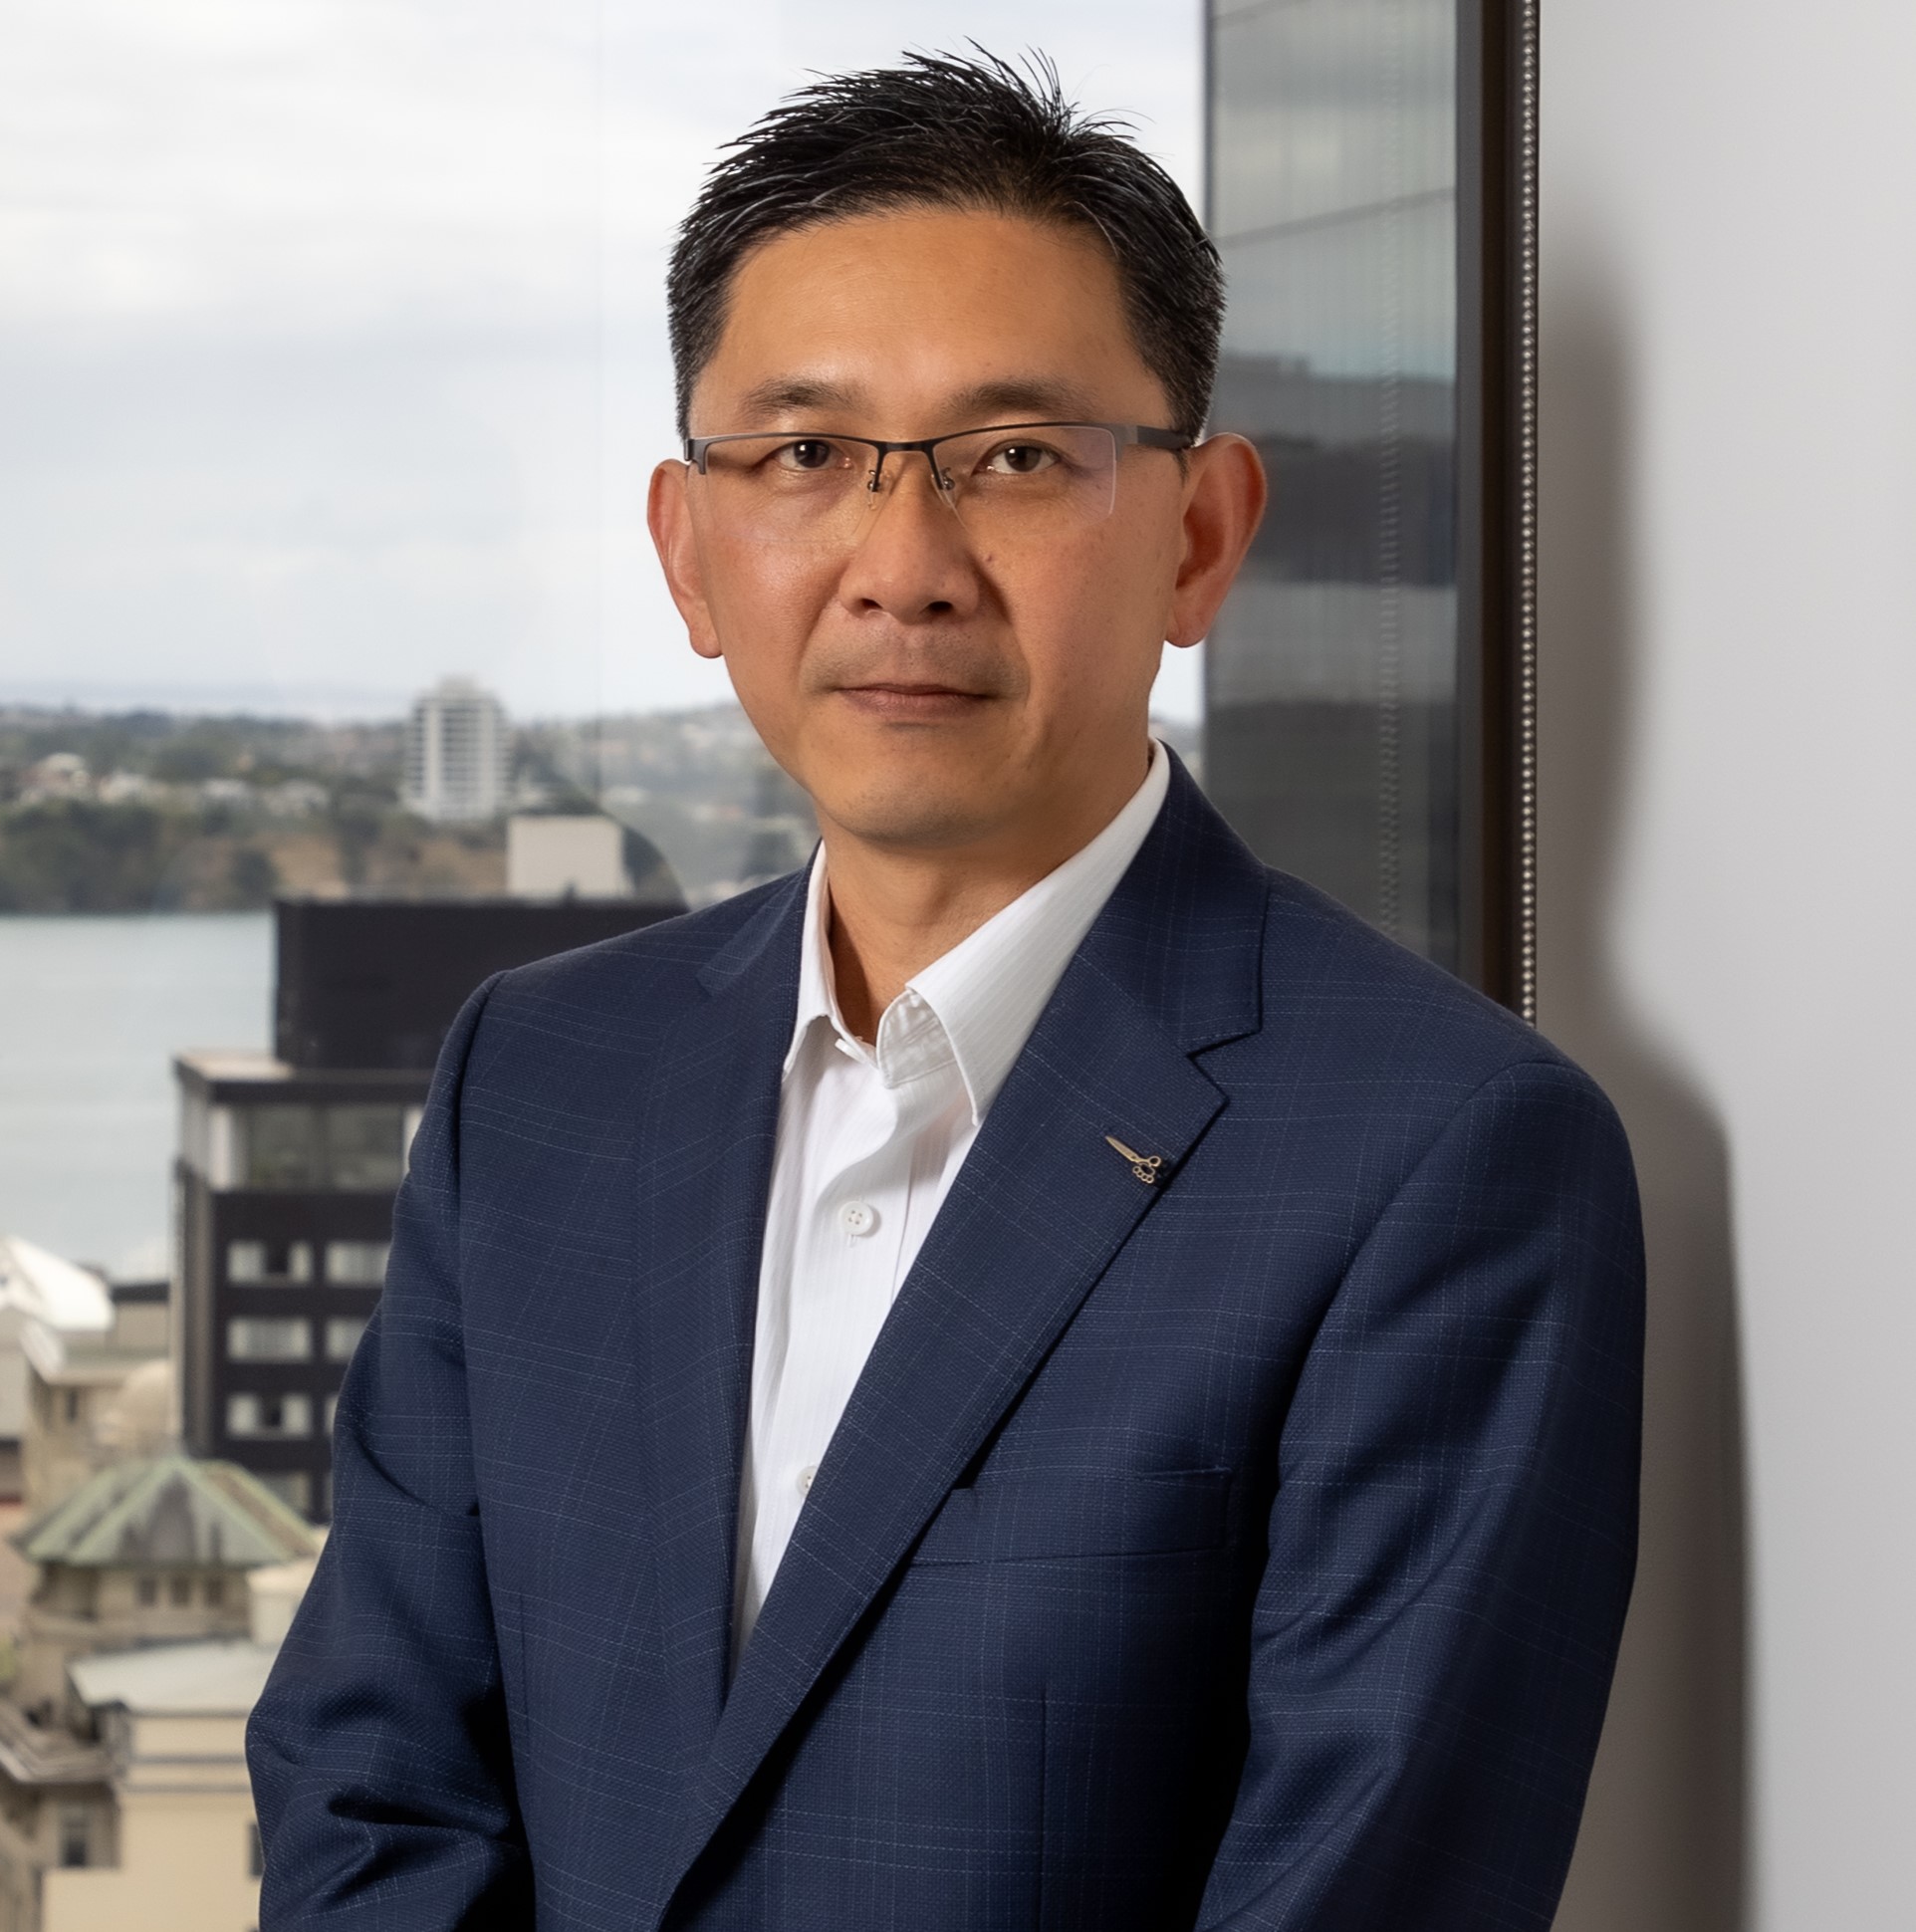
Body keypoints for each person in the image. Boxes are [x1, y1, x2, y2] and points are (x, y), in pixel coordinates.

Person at [247, 51, 1643, 1931]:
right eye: (806, 456)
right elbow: (366, 1797)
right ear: (688, 550)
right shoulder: (541, 1076)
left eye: (1016, 459)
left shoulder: (1447, 1162)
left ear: (1201, 535)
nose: (902, 571)